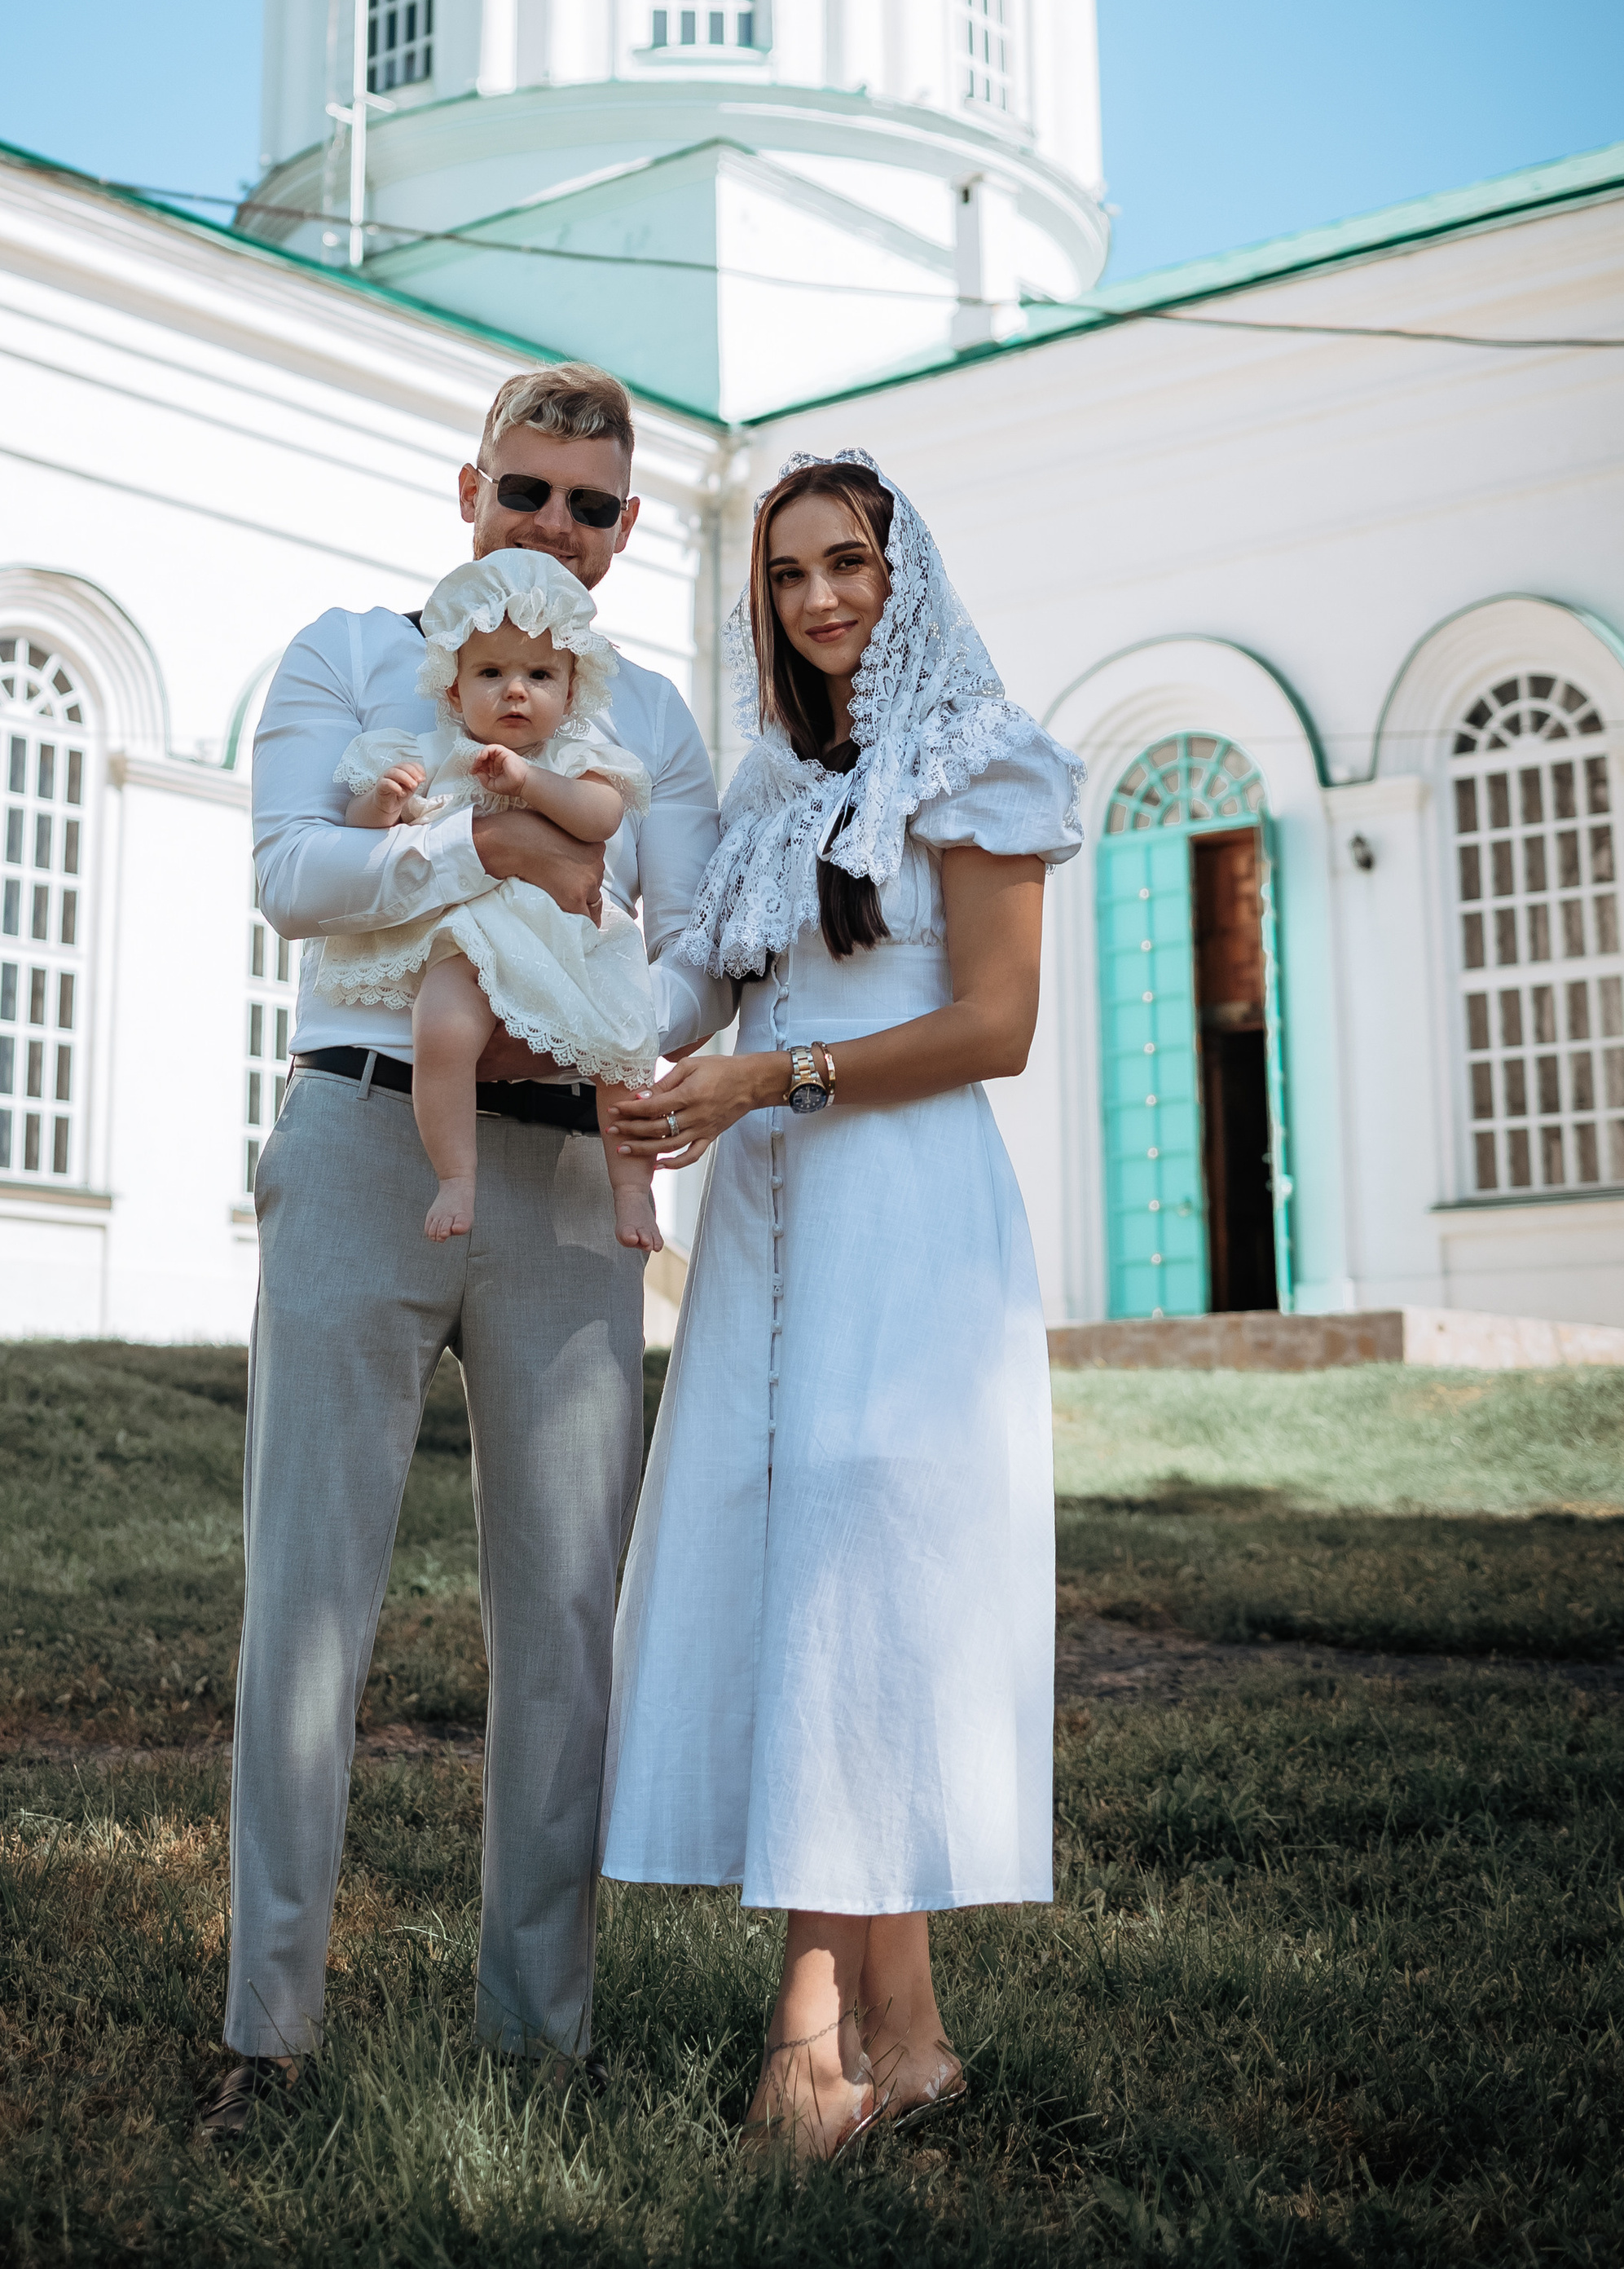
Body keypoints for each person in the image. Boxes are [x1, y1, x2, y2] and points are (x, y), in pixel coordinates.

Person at [204, 362, 728, 2139]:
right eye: (526, 491)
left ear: (626, 525)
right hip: (366, 1131)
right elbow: (286, 869)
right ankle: (267, 2039)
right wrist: (476, 858)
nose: (553, 527)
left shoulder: (648, 713)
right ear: (468, 488)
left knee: (566, 1618)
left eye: (589, 504)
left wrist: (570, 1010)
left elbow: (697, 946)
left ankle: (539, 2042)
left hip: (572, 1168)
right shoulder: (348, 655)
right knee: (308, 1595)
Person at [599, 450, 1083, 2161]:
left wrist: (765, 1081)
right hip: (766, 1219)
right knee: (798, 1567)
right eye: (787, 572)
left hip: (902, 1216)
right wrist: (566, 998)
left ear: (901, 567)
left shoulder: (978, 756)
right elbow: (690, 984)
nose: (818, 596)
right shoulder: (763, 782)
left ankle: (806, 2047)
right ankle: (913, 2039)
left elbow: (994, 1028)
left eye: (848, 560)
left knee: (858, 1572)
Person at [321, 550, 661, 1251]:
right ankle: (457, 1174)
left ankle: (632, 1190)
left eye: (539, 675)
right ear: (452, 692)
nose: (515, 691)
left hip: (568, 942)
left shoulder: (573, 760)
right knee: (440, 1029)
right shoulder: (429, 754)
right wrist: (381, 802)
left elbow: (599, 819)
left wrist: (528, 783)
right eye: (491, 674)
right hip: (468, 939)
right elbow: (358, 849)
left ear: (571, 692)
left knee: (624, 1050)